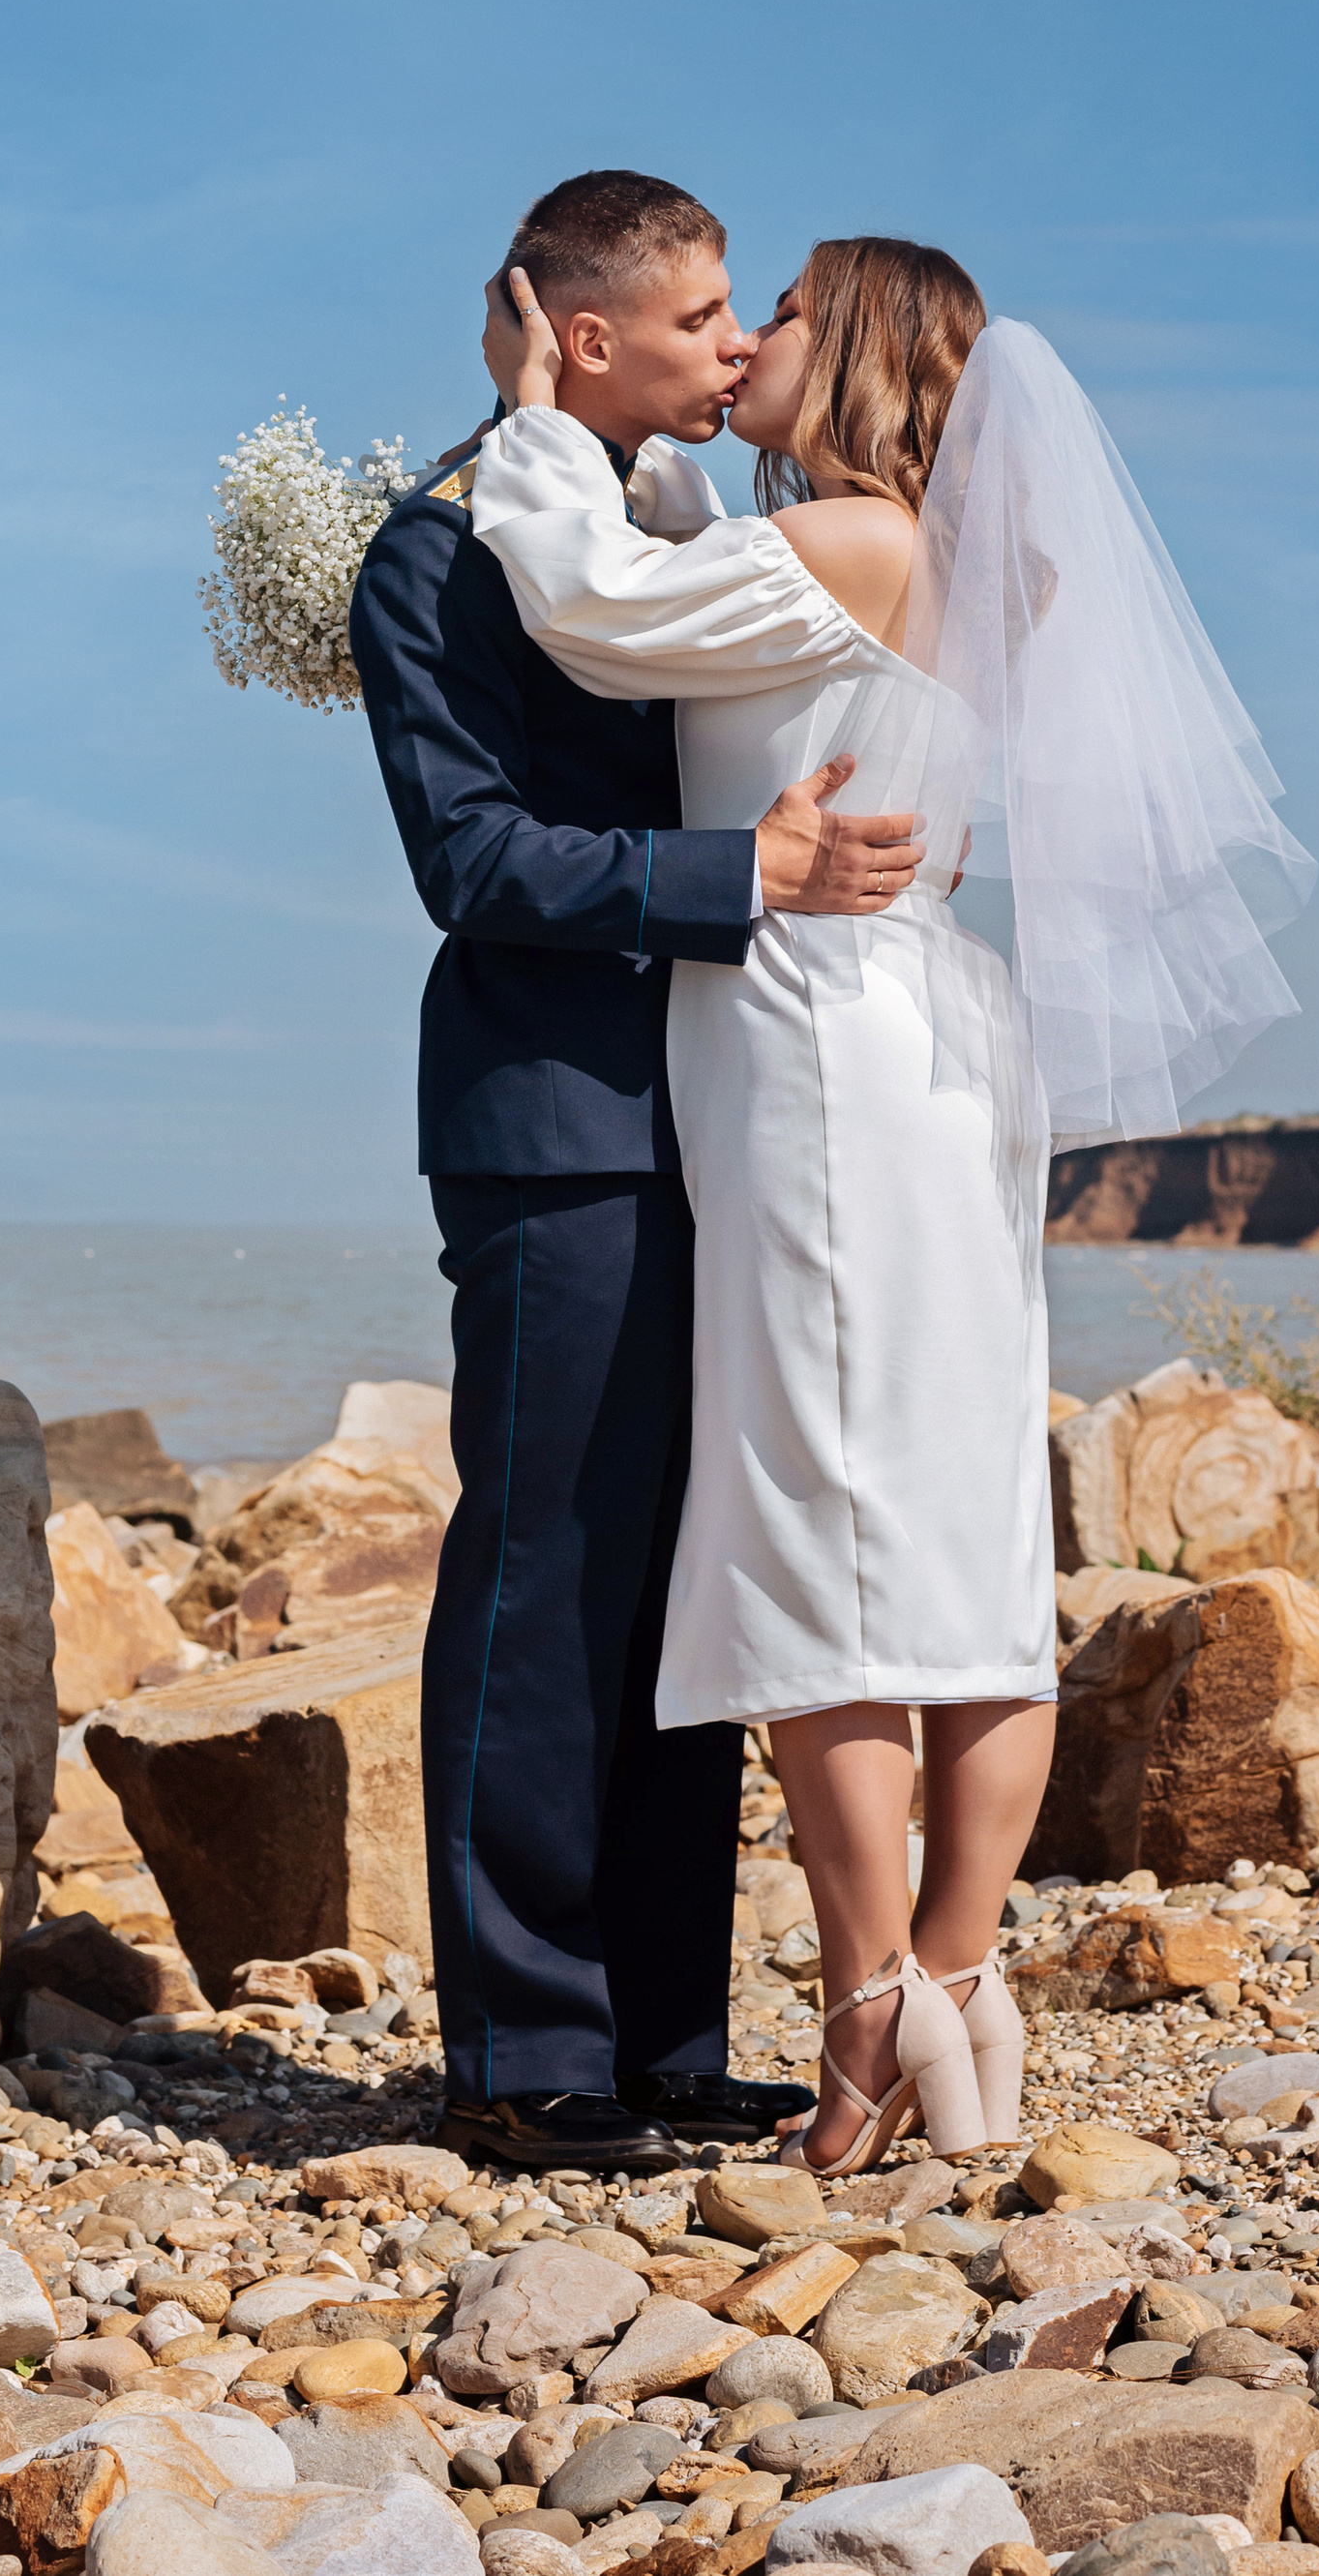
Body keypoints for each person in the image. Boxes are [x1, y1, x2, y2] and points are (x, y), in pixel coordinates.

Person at [469, 237, 1312, 2172]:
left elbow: (601, 611)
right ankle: (957, 1981)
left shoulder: (844, 546)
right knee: (951, 1536)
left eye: (775, 311)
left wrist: (533, 424)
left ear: (849, 356)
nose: (742, 335)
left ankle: (867, 2009)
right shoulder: (941, 559)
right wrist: (657, 457)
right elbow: (693, 574)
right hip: (928, 1030)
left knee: (817, 1525)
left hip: (818, 1054)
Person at [345, 171, 930, 2178]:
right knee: (543, 1577)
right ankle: (523, 2054)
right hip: (555, 1123)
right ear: (577, 337)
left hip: (732, 1118)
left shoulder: (676, 526)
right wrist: (737, 879)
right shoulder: (432, 558)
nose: (729, 348)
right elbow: (473, 866)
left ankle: (670, 2033)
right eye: (693, 317)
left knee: (688, 1578)